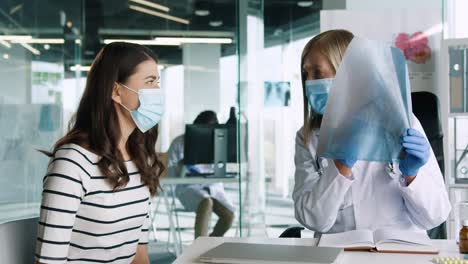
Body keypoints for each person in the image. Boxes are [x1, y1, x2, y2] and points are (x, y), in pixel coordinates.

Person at [292, 29, 451, 236]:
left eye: (318, 72)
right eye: (306, 74)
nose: (310, 82)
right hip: (340, 255)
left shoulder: (404, 123)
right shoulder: (308, 137)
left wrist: (412, 174)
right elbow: (312, 220)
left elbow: (435, 216)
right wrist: (339, 167)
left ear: (349, 73)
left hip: (399, 253)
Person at [35, 42, 165, 263]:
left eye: (157, 82)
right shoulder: (73, 162)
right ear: (116, 91)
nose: (158, 92)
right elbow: (48, 261)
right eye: (150, 82)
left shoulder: (140, 157)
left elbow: (139, 255)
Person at [168, 111, 235, 239]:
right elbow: (170, 175)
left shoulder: (218, 144)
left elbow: (222, 169)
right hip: (188, 188)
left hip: (214, 188)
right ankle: (198, 249)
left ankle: (207, 243)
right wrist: (181, 165)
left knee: (229, 215)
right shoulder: (179, 143)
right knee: (206, 202)